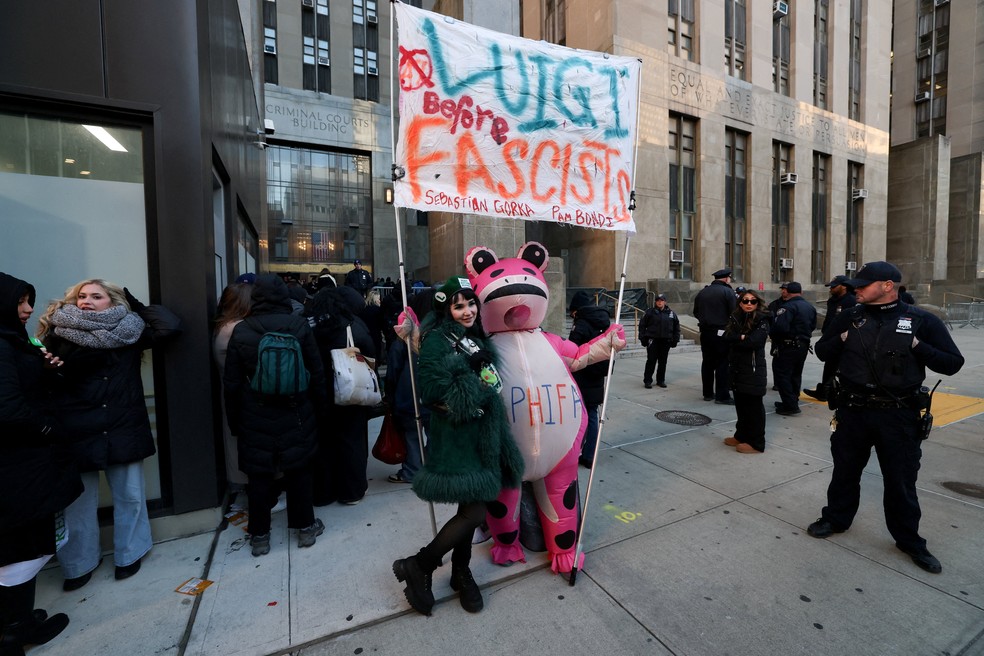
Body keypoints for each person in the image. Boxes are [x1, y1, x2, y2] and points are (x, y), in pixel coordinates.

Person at [807, 261, 963, 574]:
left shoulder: (921, 320)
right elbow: (821, 351)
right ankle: (836, 519)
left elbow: (952, 363)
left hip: (898, 415)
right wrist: (840, 340)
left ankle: (909, 540)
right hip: (853, 412)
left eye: (864, 284)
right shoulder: (850, 316)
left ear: (888, 285)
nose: (857, 289)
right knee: (845, 471)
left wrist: (918, 347)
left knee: (901, 480)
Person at [392, 276, 524, 616]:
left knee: (470, 509)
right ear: (447, 309)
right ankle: (421, 564)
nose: (467, 311)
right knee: (475, 512)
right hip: (458, 437)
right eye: (458, 305)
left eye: (470, 303)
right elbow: (434, 390)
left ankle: (460, 572)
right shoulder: (439, 339)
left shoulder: (474, 337)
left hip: (482, 435)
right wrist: (475, 388)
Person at [39, 279, 181, 591]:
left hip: (121, 424)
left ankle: (129, 554)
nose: (85, 301)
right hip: (76, 427)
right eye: (81, 295)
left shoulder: (129, 331)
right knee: (77, 503)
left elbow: (169, 326)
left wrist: (135, 302)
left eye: (96, 296)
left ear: (113, 301)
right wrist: (50, 372)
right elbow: (41, 382)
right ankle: (79, 565)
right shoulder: (58, 331)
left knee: (130, 496)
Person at [0, 272, 82, 654]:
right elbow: (10, 409)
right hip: (19, 466)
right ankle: (14, 631)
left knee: (22, 544)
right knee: (22, 546)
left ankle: (17, 620)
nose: (28, 309)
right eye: (20, 302)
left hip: (23, 465)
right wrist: (49, 429)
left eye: (29, 300)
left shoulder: (14, 341)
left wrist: (46, 369)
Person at [223, 274, 330, 557]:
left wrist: (235, 421)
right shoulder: (298, 325)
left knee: (259, 476)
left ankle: (259, 536)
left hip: (254, 412)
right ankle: (306, 528)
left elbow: (231, 383)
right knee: (299, 471)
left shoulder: (241, 330)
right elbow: (316, 372)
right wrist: (320, 410)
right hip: (297, 410)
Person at [305, 285, 376, 506]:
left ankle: (323, 493)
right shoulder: (353, 325)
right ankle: (351, 492)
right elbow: (372, 354)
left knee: (322, 443)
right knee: (352, 441)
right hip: (350, 392)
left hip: (317, 394)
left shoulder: (308, 326)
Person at [384, 289, 434, 484]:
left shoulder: (404, 335)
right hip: (433, 396)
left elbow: (393, 369)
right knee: (434, 435)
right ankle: (431, 469)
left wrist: (389, 394)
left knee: (412, 436)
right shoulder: (443, 335)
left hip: (408, 396)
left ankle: (412, 471)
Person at [213, 283, 252, 506]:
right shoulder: (236, 329)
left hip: (230, 392)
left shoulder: (222, 325)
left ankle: (243, 489)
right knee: (241, 444)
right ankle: (248, 490)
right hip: (240, 395)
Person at [722, 290, 772, 453]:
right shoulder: (735, 317)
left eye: (753, 301)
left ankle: (757, 443)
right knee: (741, 405)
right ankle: (741, 435)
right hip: (737, 368)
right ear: (740, 302)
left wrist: (739, 339)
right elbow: (725, 338)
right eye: (745, 301)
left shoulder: (762, 320)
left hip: (753, 369)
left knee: (754, 408)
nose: (749, 304)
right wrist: (741, 337)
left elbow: (754, 342)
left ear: (758, 303)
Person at [567, 290, 612, 468]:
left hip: (583, 375)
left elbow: (572, 349)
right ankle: (589, 454)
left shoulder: (582, 324)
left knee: (583, 416)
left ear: (577, 310)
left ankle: (581, 452)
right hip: (597, 374)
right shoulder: (603, 321)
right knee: (592, 414)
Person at [804, 275, 856, 401]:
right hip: (829, 337)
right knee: (829, 366)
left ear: (844, 286)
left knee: (835, 368)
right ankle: (824, 391)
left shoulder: (851, 301)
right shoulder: (833, 300)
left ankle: (829, 392)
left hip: (841, 340)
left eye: (834, 286)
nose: (831, 289)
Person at [769, 281, 817, 416]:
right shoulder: (809, 307)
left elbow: (780, 328)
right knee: (795, 374)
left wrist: (774, 336)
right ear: (801, 292)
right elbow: (813, 325)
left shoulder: (787, 307)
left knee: (783, 375)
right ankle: (792, 400)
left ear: (787, 292)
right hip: (802, 345)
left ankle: (790, 405)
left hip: (788, 345)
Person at [693, 268, 736, 404]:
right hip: (721, 332)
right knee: (722, 364)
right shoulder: (728, 292)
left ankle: (707, 393)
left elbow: (696, 312)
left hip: (705, 332)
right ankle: (722, 396)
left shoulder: (703, 292)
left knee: (707, 363)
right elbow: (734, 313)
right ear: (726, 278)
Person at [638, 293, 680, 389]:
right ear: (655, 302)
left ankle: (661, 380)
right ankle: (648, 381)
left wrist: (675, 340)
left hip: (666, 341)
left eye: (661, 300)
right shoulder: (649, 312)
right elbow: (642, 326)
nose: (659, 302)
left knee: (663, 362)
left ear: (665, 302)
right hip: (653, 340)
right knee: (651, 361)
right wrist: (643, 338)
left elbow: (676, 327)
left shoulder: (671, 313)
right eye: (657, 300)